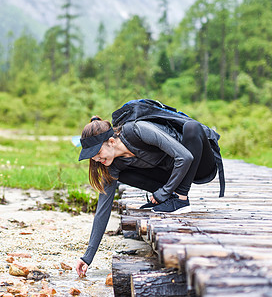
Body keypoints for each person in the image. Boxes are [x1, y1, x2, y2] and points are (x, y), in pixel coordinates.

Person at [75, 114, 219, 277]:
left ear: (112, 142)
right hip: (171, 174)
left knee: (193, 127)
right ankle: (172, 197)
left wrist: (163, 192)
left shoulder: (138, 131)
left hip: (199, 163)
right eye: (92, 156)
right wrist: (87, 257)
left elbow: (185, 157)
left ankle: (180, 199)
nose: (96, 158)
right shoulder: (112, 166)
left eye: (97, 152)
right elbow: (103, 209)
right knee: (120, 175)